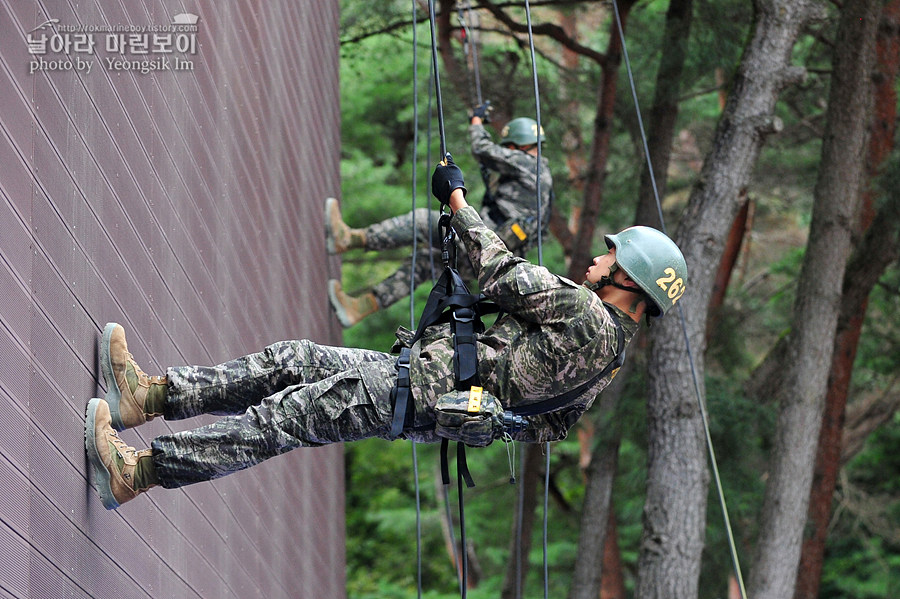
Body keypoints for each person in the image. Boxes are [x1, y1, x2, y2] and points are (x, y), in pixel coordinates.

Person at [85, 159, 687, 510]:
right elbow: (545, 424)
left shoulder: (586, 315)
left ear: (629, 278)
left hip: (414, 389)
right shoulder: (609, 363)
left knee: (284, 418)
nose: (598, 260)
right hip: (416, 390)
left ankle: (140, 471)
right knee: (290, 361)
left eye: (612, 258)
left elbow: (501, 271)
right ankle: (152, 397)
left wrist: (455, 197)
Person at [326, 106, 553, 327]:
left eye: (510, 148)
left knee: (422, 222)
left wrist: (476, 123)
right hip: (487, 260)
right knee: (424, 263)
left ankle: (348, 239)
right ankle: (359, 308)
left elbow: (483, 149)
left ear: (518, 145)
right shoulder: (544, 185)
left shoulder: (529, 164)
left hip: (478, 245)